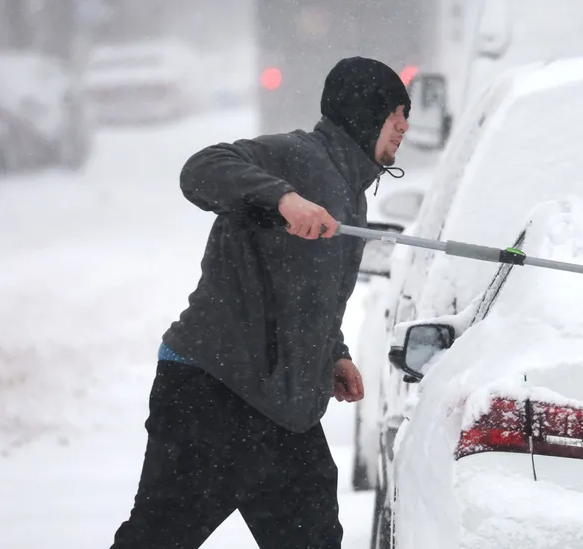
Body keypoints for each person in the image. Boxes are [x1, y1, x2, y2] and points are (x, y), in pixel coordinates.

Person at [110, 57, 410, 549]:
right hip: (211, 394)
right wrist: (282, 199)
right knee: (157, 538)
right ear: (363, 111)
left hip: (283, 412)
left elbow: (315, 293)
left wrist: (332, 351)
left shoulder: (352, 196)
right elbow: (202, 169)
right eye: (395, 110)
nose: (404, 125)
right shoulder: (296, 156)